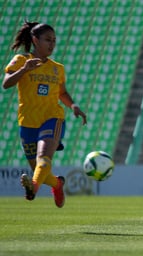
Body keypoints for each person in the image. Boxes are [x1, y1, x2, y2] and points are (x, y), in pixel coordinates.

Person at [2, 20, 87, 208]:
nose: (52, 44)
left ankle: (32, 189)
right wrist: (25, 70)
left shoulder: (58, 68)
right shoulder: (21, 60)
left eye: (54, 40)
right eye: (48, 40)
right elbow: (6, 83)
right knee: (40, 171)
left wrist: (73, 106)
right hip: (27, 122)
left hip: (52, 118)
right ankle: (58, 184)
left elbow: (62, 93)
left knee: (43, 159)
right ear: (35, 40)